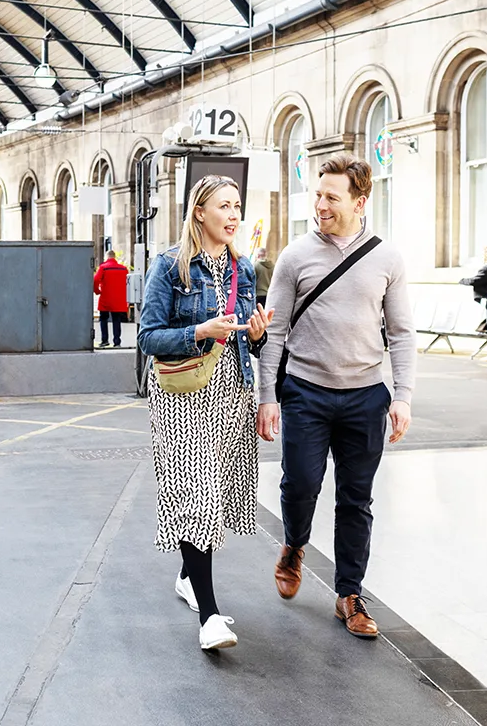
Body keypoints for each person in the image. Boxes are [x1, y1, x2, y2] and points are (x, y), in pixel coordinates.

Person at [257, 153, 416, 640]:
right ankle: (294, 544)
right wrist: (268, 395)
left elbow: (403, 333)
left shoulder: (387, 258)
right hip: (305, 392)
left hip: (365, 395)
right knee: (301, 484)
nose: (320, 205)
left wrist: (403, 395)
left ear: (360, 201)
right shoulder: (295, 255)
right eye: (317, 195)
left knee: (356, 499)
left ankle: (349, 593)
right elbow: (275, 332)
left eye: (331, 197)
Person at [138, 175, 275, 652]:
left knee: (213, 494)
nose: (234, 214)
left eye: (238, 205)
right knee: (197, 495)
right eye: (224, 206)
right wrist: (199, 330)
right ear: (200, 212)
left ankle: (186, 576)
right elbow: (147, 337)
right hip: (182, 397)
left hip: (229, 394)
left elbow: (250, 341)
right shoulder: (171, 267)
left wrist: (255, 333)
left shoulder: (245, 268)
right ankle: (211, 617)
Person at [93, 250, 129, 348]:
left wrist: (97, 291)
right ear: (114, 257)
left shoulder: (103, 268)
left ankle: (105, 340)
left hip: (106, 297)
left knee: (103, 319)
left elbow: (95, 279)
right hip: (119, 299)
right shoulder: (123, 269)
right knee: (116, 319)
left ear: (106, 257)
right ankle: (117, 342)